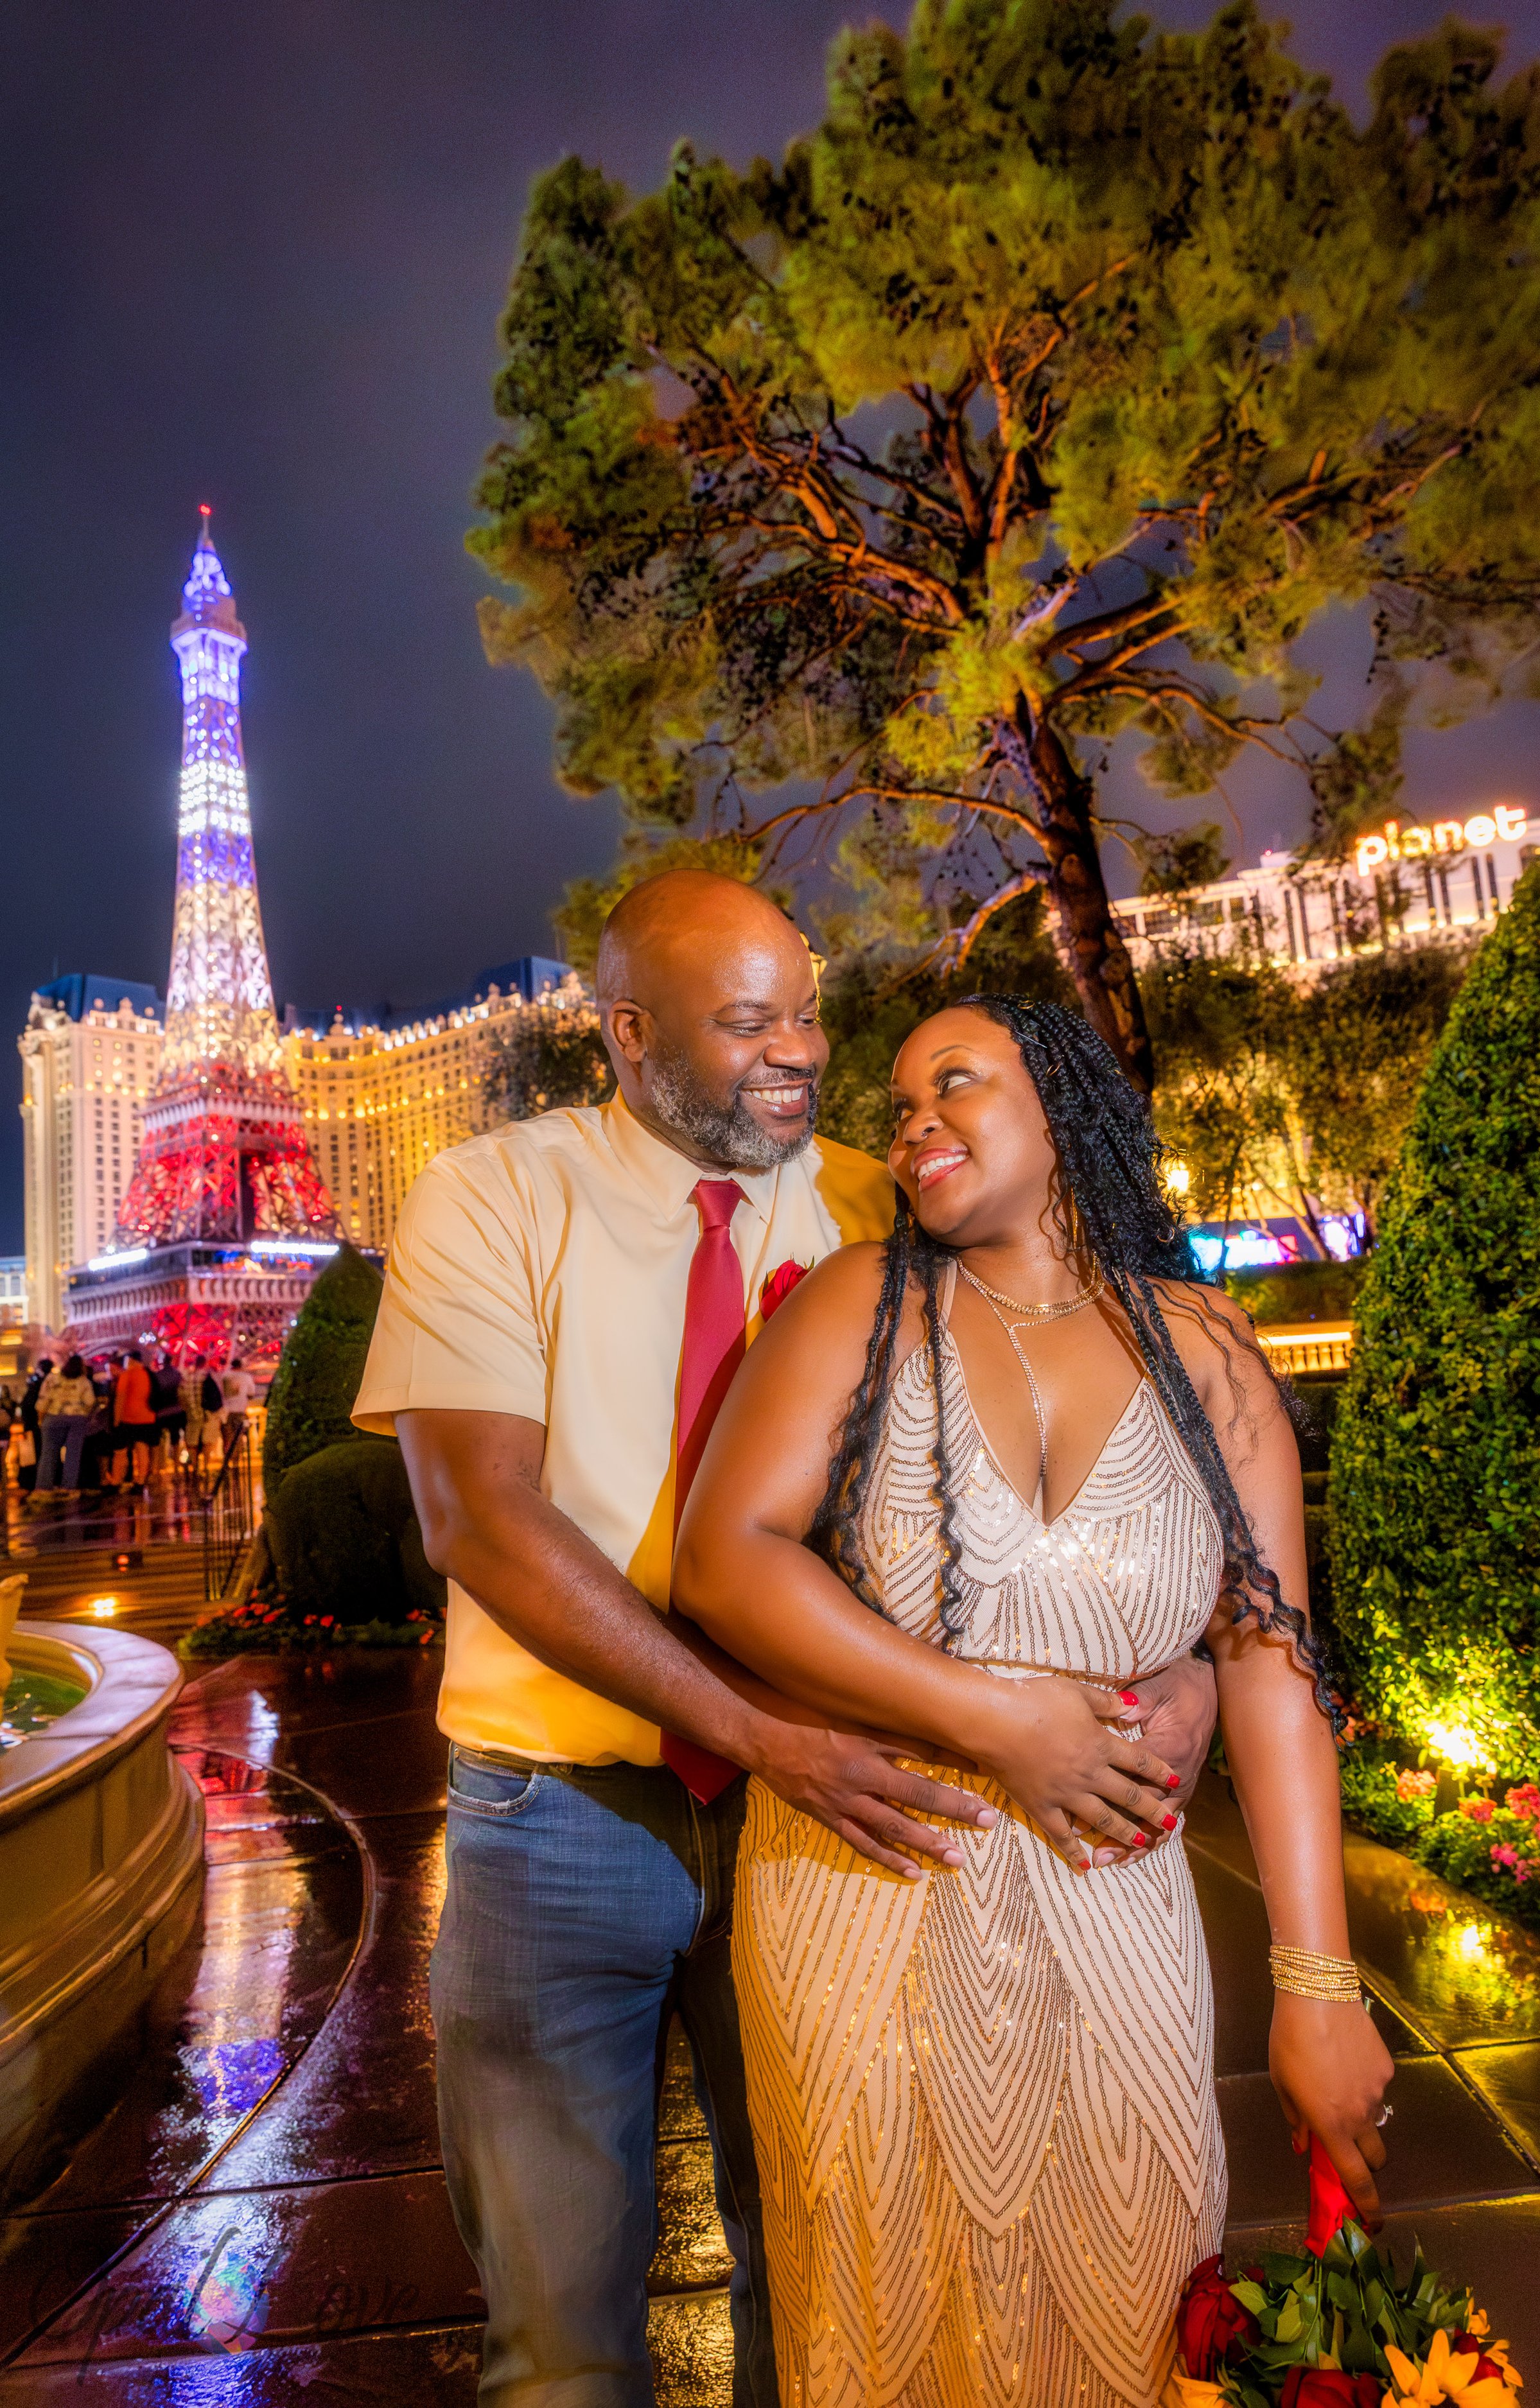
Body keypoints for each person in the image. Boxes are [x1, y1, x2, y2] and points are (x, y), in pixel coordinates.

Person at [356, 874, 1218, 2408]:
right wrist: (761, 1730)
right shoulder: (486, 1195)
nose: (802, 1052)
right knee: (559, 2333)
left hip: (834, 1825)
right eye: (750, 1021)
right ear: (628, 1033)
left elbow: (1095, 1424)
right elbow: (481, 1523)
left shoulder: (883, 1203)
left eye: (809, 1012)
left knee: (831, 2268)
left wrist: (1196, 1661)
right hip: (562, 1813)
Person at [675, 994, 1396, 2408]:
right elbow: (723, 1559)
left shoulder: (1208, 1351)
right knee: (875, 2330)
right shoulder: (857, 1306)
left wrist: (1315, 1991)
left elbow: (1265, 1669)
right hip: (862, 1896)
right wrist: (996, 1717)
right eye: (896, 1103)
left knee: (1133, 2315)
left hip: (1113, 1909)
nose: (912, 1119)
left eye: (957, 1081)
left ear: (1065, 1107)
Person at [34, 1354, 97, 1496]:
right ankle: (68, 1487)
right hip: (77, 1418)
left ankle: (43, 1488)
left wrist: (41, 1420)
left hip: (53, 1417)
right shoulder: (83, 1382)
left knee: (48, 1453)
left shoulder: (52, 1378)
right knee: (72, 1455)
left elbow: (43, 1401)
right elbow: (90, 1402)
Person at [109, 1348, 155, 1489]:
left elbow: (120, 1399)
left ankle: (117, 1480)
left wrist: (116, 1420)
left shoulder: (127, 1375)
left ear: (130, 1360)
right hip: (147, 1417)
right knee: (142, 1450)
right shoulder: (148, 1375)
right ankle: (140, 1481)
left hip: (127, 1418)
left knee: (120, 1451)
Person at [16, 1360, 48, 1496]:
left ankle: (30, 1483)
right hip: (42, 1426)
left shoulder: (37, 1386)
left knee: (32, 1456)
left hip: (34, 1426)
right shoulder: (47, 1384)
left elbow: (27, 1407)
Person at [220, 1357, 254, 1443]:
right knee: (238, 1438)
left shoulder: (224, 1376)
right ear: (241, 1366)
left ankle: (229, 1456)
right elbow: (251, 1394)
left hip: (226, 1413)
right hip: (240, 1411)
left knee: (227, 1439)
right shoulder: (246, 1377)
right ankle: (238, 1455)